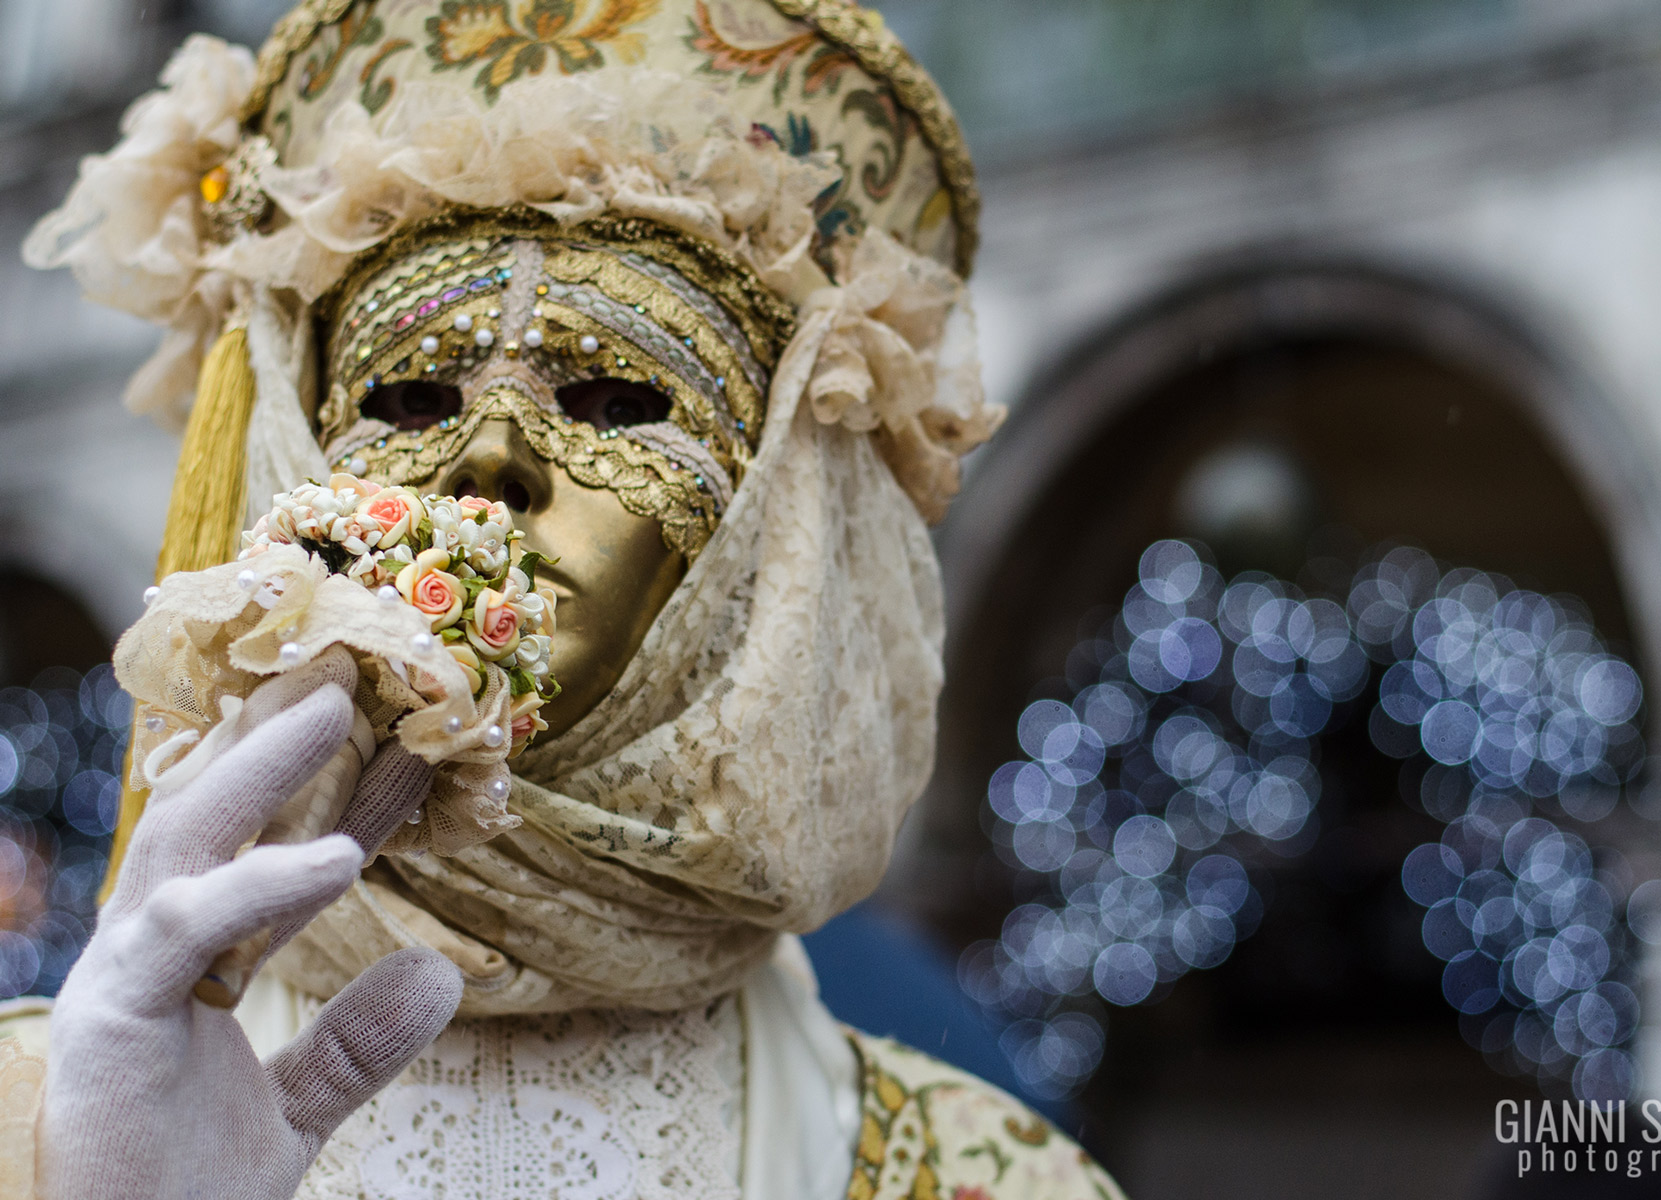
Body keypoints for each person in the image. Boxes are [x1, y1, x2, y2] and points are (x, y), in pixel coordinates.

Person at [0, 3, 1125, 1199]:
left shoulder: (985, 1176)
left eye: (616, 399)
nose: (492, 460)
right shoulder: (44, 1116)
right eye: (413, 399)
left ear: (769, 529)